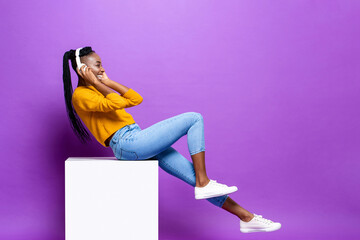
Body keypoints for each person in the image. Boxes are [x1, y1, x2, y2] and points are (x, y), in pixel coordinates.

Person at [62, 46, 281, 233]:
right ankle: (204, 183)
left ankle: (247, 218)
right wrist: (100, 83)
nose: (102, 68)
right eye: (98, 65)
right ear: (83, 69)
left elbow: (136, 98)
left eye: (102, 65)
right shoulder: (81, 96)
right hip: (126, 143)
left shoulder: (97, 88)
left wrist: (107, 80)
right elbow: (119, 103)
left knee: (193, 177)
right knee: (194, 118)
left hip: (136, 138)